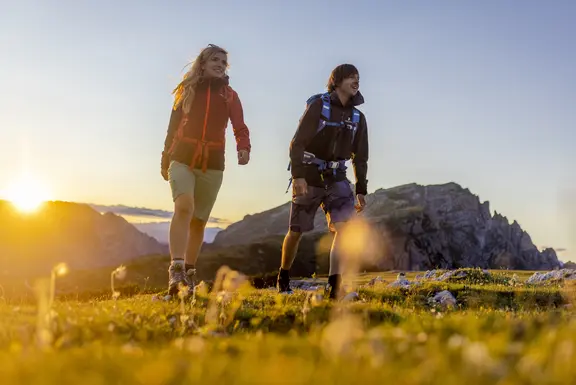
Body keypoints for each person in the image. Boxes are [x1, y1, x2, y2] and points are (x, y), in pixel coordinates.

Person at [161, 44, 251, 295]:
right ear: (202, 63)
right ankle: (175, 271)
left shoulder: (230, 95)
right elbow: (172, 127)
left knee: (199, 221)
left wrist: (244, 147)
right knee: (184, 207)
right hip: (182, 157)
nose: (220, 64)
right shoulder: (186, 91)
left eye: (224, 62)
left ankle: (189, 272)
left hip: (213, 161)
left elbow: (239, 126)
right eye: (215, 60)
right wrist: (164, 157)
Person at [277, 64, 369, 300]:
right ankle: (283, 276)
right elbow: (297, 143)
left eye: (358, 77)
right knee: (296, 231)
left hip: (338, 178)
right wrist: (297, 175)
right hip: (309, 175)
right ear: (336, 81)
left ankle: (333, 285)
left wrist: (361, 190)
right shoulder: (319, 105)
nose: (356, 80)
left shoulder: (358, 117)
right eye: (351, 77)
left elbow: (361, 156)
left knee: (345, 229)